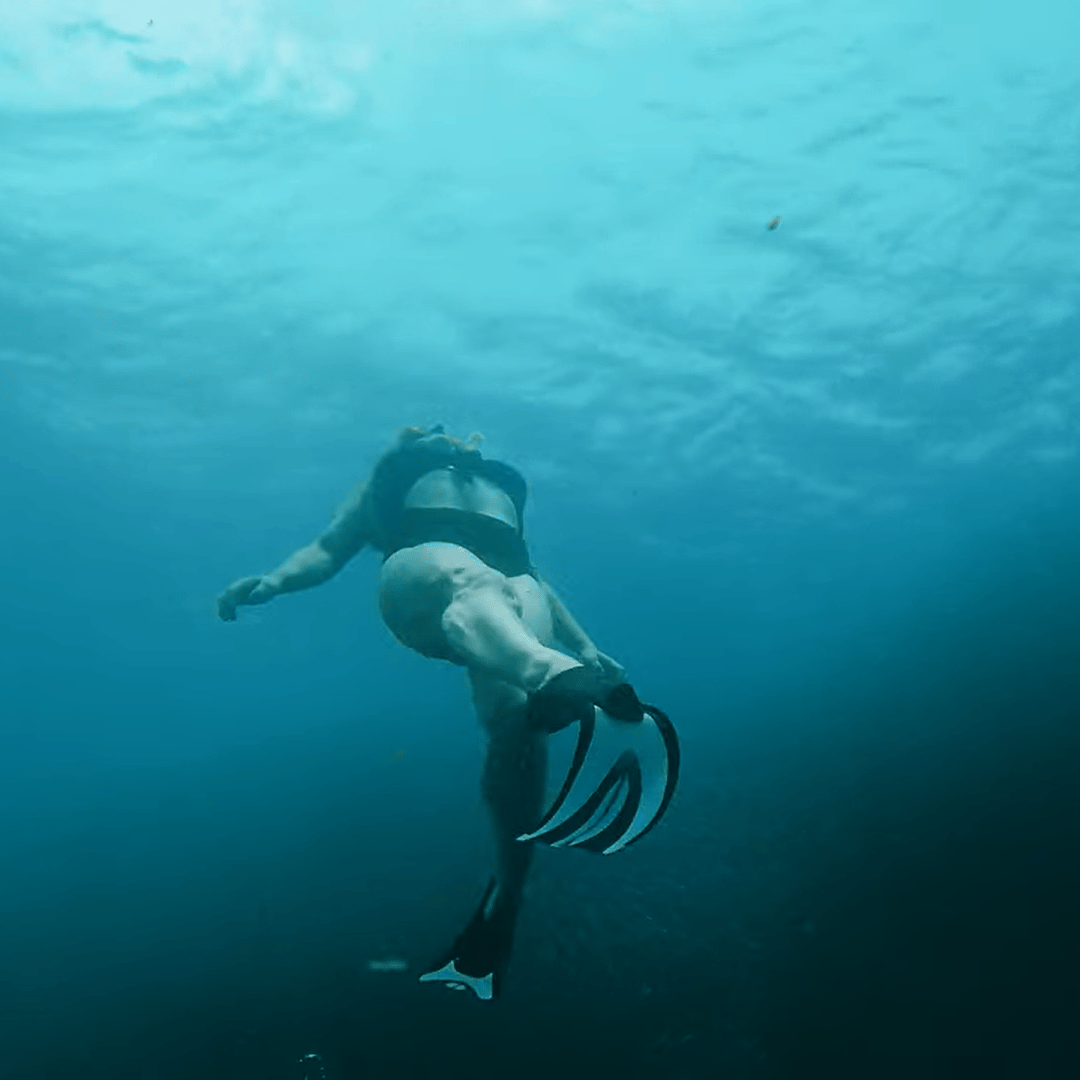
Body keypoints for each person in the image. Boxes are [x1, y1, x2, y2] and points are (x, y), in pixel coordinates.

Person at [217, 425, 679, 999]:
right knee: (472, 582)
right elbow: (328, 548)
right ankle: (551, 673)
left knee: (515, 723)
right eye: (423, 430)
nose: (438, 431)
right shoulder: (389, 481)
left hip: (515, 583)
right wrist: (272, 583)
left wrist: (584, 645)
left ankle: (503, 905)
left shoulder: (496, 484)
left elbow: (534, 574)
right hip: (426, 571)